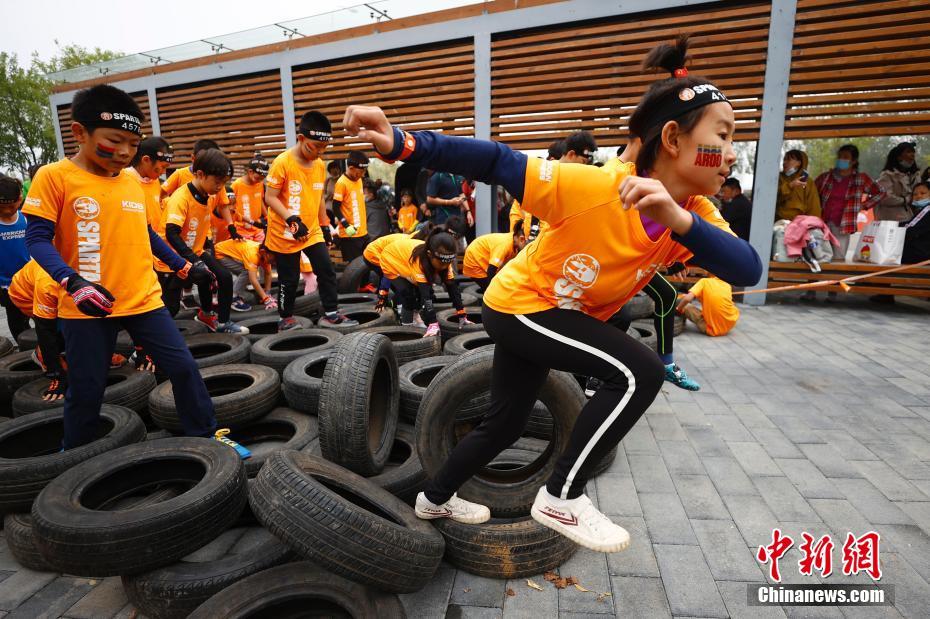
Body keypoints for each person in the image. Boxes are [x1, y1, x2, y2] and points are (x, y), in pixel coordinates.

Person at [342, 33, 761, 552]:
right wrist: (404, 142)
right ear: (673, 140)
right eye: (723, 135)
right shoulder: (596, 189)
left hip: (548, 313)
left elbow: (747, 267)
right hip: (522, 306)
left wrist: (676, 219)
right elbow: (497, 161)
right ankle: (563, 495)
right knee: (638, 372)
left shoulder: (695, 213)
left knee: (504, 424)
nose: (731, 154)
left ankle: (435, 496)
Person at [22, 84, 228, 451]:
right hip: (86, 304)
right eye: (115, 141)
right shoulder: (55, 177)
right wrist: (73, 282)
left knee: (182, 367)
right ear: (79, 133)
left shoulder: (133, 184)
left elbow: (146, 234)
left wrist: (185, 266)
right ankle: (74, 456)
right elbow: (36, 239)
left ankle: (207, 437)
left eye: (133, 145)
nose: (124, 153)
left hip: (143, 298)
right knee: (87, 389)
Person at [264, 111, 358, 331]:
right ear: (301, 138)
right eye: (314, 146)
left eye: (324, 148)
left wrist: (324, 225)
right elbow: (270, 197)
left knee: (326, 268)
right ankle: (285, 318)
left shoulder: (318, 166)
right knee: (288, 278)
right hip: (285, 231)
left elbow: (316, 199)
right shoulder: (282, 163)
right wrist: (292, 220)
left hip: (311, 229)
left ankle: (332, 313)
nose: (319, 152)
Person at [155, 149, 248, 334]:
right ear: (200, 174)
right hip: (172, 258)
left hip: (195, 251)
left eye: (224, 183)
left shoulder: (207, 194)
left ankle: (217, 320)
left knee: (223, 276)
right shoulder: (181, 198)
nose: (220, 187)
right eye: (218, 182)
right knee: (171, 308)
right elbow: (171, 233)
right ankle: (145, 346)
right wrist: (193, 260)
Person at [375, 228, 468, 331]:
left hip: (406, 258)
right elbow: (426, 296)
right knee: (409, 293)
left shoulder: (445, 262)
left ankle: (415, 316)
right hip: (391, 260)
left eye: (448, 263)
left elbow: (453, 289)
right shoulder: (420, 263)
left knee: (423, 293)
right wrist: (433, 323)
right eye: (441, 263)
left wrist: (461, 313)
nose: (445, 266)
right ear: (429, 255)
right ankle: (407, 327)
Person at [509, 135, 592, 241]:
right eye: (583, 162)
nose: (583, 167)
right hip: (533, 239)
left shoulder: (572, 179)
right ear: (570, 154)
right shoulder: (543, 173)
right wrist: (516, 238)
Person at [7, 259, 68, 400]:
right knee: (65, 325)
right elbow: (45, 330)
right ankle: (42, 354)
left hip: (58, 283)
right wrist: (56, 376)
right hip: (24, 294)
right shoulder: (47, 283)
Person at [815, 144, 885, 262]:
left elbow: (881, 192)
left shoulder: (861, 178)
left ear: (853, 161)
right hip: (821, 224)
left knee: (838, 258)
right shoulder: (826, 177)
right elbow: (812, 193)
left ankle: (835, 281)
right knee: (819, 257)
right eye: (839, 156)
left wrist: (864, 205)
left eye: (845, 157)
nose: (841, 159)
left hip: (843, 225)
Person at [0, 174, 31, 340]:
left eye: (11, 207)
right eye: (1, 208)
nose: (6, 211)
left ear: (20, 199)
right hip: (6, 287)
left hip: (30, 283)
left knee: (46, 321)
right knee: (18, 327)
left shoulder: (27, 219)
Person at [125, 136, 174, 229]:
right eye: (163, 167)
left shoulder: (155, 181)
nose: (163, 172)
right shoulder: (125, 179)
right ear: (146, 160)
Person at [215, 238, 277, 311]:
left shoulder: (266, 255)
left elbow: (268, 274)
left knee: (247, 273)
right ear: (263, 252)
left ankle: (228, 293)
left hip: (229, 253)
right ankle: (233, 297)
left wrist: (267, 293)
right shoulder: (253, 255)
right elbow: (253, 280)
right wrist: (266, 299)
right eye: (273, 259)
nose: (274, 262)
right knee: (247, 272)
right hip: (219, 253)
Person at [333, 151, 371, 263]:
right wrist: (346, 225)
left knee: (368, 265)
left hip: (363, 233)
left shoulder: (359, 180)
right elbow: (336, 207)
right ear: (351, 168)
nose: (363, 174)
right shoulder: (341, 183)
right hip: (350, 235)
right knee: (355, 269)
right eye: (361, 171)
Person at [463, 226, 526, 291]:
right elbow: (491, 270)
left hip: (484, 260)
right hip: (474, 262)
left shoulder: (514, 243)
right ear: (521, 239)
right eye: (527, 245)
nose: (526, 249)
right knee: (493, 292)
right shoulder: (504, 245)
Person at [876, 142, 920, 222]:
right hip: (890, 220)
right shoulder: (887, 175)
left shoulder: (915, 175)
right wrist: (907, 200)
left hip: (909, 217)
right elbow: (885, 197)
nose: (912, 155)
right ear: (899, 157)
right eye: (908, 152)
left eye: (913, 152)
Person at [230, 152, 270, 242]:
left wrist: (267, 216)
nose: (259, 181)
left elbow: (260, 201)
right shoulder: (237, 185)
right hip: (241, 229)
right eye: (257, 178)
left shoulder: (259, 184)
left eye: (261, 179)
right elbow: (229, 206)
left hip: (257, 227)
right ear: (250, 172)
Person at [776, 149, 820, 222]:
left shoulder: (807, 182)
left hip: (799, 225)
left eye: (788, 160)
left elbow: (813, 207)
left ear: (799, 163)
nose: (784, 163)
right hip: (778, 223)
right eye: (784, 159)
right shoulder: (777, 178)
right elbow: (773, 198)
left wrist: (812, 224)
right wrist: (789, 186)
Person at [902, 182, 930, 264]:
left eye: (923, 193)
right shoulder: (922, 210)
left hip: (921, 256)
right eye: (915, 194)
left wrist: (892, 228)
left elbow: (910, 228)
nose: (918, 196)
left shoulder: (927, 209)